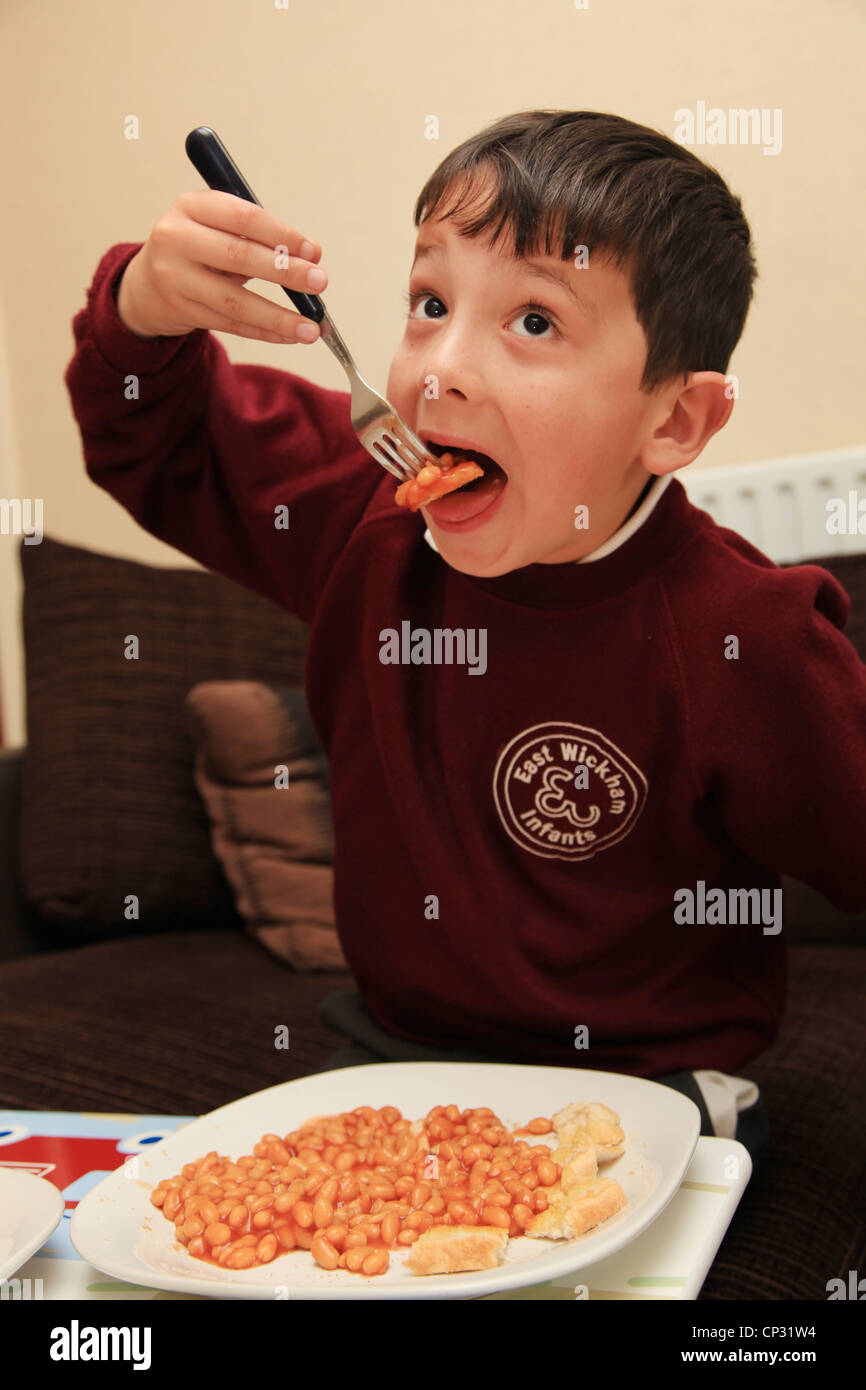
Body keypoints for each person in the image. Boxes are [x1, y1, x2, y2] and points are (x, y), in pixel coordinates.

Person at [64, 111, 866, 1181]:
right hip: (391, 1059)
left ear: (673, 423)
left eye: (533, 321)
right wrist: (141, 309)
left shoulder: (744, 636)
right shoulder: (367, 516)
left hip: (645, 1099)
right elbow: (152, 439)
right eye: (428, 302)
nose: (438, 368)